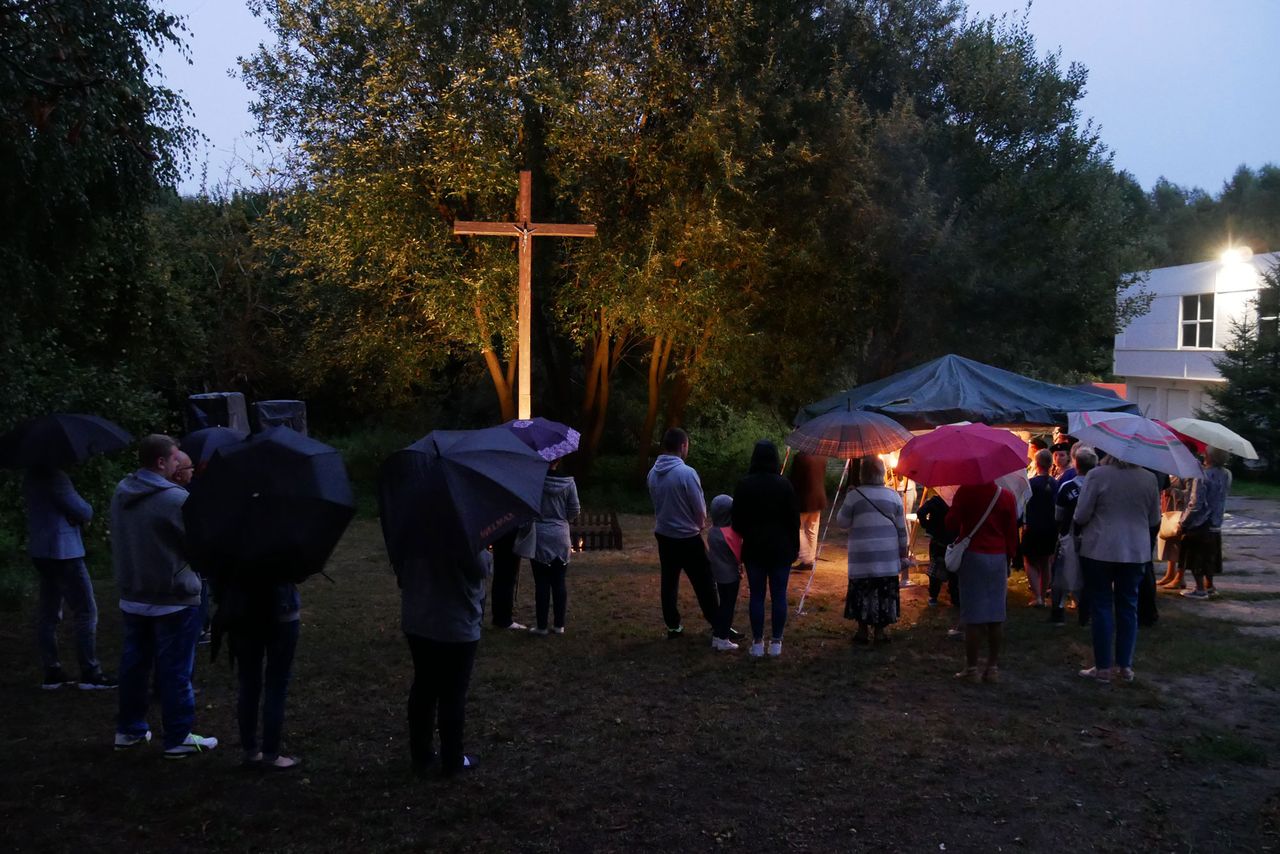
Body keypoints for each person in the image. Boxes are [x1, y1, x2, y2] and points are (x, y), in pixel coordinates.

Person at [111, 434, 218, 758]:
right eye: (175, 460)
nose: (177, 466)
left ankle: (129, 730)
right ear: (161, 462)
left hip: (133, 594)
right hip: (172, 597)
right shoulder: (174, 499)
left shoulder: (121, 491)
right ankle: (178, 736)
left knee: (135, 666)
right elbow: (199, 544)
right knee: (175, 670)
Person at [400, 547, 491, 777]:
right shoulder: (462, 528)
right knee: (452, 693)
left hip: (418, 620)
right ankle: (452, 760)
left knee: (424, 686)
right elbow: (480, 568)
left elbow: (401, 574)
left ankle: (421, 757)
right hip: (455, 623)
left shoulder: (410, 529)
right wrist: (487, 554)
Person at [23, 465, 114, 690]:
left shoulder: (30, 475)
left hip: (41, 550)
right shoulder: (55, 476)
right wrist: (83, 512)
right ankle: (90, 672)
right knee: (85, 610)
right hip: (64, 551)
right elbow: (83, 510)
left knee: (49, 612)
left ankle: (52, 671)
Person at [1073, 453, 1161, 683]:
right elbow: (1153, 519)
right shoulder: (1149, 478)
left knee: (1101, 605)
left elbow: (1081, 515)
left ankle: (1102, 667)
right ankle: (1125, 666)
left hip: (1100, 548)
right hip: (1135, 551)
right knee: (1128, 605)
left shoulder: (1097, 475)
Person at [216, 578, 301, 770]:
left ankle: (251, 751)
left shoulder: (231, 546)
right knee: (276, 684)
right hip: (282, 609)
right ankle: (270, 754)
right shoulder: (282, 546)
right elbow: (299, 571)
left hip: (242, 612)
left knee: (248, 682)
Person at [647, 428, 719, 639]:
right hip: (687, 537)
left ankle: (673, 625)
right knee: (705, 581)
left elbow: (656, 502)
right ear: (683, 446)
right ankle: (717, 621)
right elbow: (699, 508)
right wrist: (699, 524)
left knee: (669, 581)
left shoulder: (652, 473)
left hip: (664, 534)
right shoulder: (686, 473)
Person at [731, 440, 800, 657]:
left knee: (757, 596)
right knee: (779, 595)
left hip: (754, 548)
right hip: (781, 548)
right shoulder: (785, 485)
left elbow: (736, 521)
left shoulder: (744, 484)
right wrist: (795, 546)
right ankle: (777, 642)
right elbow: (794, 520)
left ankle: (758, 642)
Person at [946, 479, 1019, 683]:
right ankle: (992, 668)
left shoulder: (965, 492)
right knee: (996, 615)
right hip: (998, 556)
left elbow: (950, 522)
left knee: (973, 615)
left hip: (973, 555)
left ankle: (971, 669)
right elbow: (1011, 531)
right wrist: (1009, 557)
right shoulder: (1006, 496)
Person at [836, 456, 910, 646]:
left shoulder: (854, 496)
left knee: (862, 591)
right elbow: (902, 529)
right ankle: (880, 632)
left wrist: (849, 497)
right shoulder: (894, 496)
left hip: (862, 558)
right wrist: (903, 551)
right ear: (882, 473)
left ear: (862, 474)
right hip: (886, 557)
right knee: (884, 593)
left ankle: (862, 631)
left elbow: (842, 522)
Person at [526, 459, 580, 636]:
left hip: (540, 535)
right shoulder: (569, 482)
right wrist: (563, 519)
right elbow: (574, 510)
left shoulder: (534, 481)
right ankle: (559, 625)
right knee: (559, 581)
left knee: (541, 583)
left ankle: (541, 626)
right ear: (558, 460)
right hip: (560, 535)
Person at [1049, 445, 1097, 625]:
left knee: (1060, 575)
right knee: (1088, 575)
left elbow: (1058, 514)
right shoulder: (1100, 487)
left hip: (1068, 535)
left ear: (1076, 464)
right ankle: (1085, 613)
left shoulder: (1067, 487)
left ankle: (1058, 612)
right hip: (1093, 537)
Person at [1178, 447, 1232, 600]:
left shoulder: (1202, 476)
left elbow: (1196, 503)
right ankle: (1210, 586)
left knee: (1196, 556)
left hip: (1201, 522)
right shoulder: (1226, 474)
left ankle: (1199, 589)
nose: (1203, 455)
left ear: (1211, 457)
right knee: (1210, 555)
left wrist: (1184, 521)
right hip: (1216, 521)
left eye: (1206, 453)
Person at [1022, 449, 1059, 607]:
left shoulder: (1031, 484)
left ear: (1036, 463)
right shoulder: (1056, 483)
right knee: (1046, 562)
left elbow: (1024, 505)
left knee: (1030, 560)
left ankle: (1037, 595)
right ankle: (1043, 596)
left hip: (1033, 526)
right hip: (1051, 527)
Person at [706, 495, 743, 651]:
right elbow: (739, 556)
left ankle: (717, 636)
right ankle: (723, 639)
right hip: (730, 577)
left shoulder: (712, 531)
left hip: (719, 575)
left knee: (723, 605)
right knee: (728, 606)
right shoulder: (730, 533)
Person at [917, 490, 957, 608]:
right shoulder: (957, 501)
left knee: (936, 569)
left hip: (938, 540)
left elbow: (920, 512)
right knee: (954, 569)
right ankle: (955, 597)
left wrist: (928, 526)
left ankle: (933, 596)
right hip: (953, 540)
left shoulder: (936, 500)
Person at [789, 452, 828, 572]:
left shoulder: (800, 457)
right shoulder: (822, 456)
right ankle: (809, 559)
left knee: (796, 528)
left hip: (803, 499)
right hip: (818, 498)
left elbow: (794, 479)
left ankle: (806, 557)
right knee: (812, 530)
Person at [1155, 476, 1190, 589]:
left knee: (1180, 544)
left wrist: (1174, 492)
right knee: (1170, 543)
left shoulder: (1187, 473)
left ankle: (1180, 577)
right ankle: (1170, 574)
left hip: (1180, 513)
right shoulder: (1168, 472)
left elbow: (1190, 494)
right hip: (1169, 510)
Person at [488, 530, 526, 631]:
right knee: (507, 579)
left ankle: (499, 616)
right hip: (508, 538)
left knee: (500, 578)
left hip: (500, 536)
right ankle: (504, 619)